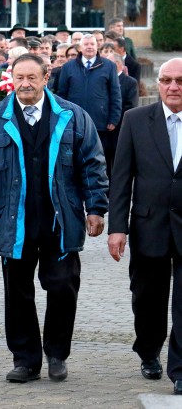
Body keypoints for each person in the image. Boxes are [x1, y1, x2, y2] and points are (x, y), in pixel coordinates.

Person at [0, 53, 108, 384]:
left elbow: (93, 164)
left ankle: (56, 354)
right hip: (13, 222)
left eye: (32, 77)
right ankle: (25, 360)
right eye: (19, 78)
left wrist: (96, 208)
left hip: (61, 221)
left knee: (62, 286)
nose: (25, 84)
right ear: (11, 80)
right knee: (17, 292)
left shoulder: (73, 117)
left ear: (46, 78)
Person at [107, 58, 182, 396]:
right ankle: (148, 350)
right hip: (149, 224)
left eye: (180, 81)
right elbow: (121, 179)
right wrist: (116, 228)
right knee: (148, 298)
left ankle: (179, 370)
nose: (173, 87)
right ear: (157, 85)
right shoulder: (136, 120)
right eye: (166, 80)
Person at [58, 33, 122, 165]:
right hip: (74, 121)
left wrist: (114, 119)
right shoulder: (68, 67)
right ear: (80, 47)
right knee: (75, 160)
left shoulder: (109, 66)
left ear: (97, 46)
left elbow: (115, 94)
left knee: (98, 159)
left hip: (100, 122)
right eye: (86, 44)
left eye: (92, 44)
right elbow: (61, 94)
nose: (89, 47)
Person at [103, 53, 139, 178]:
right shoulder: (104, 80)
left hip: (120, 130)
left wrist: (114, 119)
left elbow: (131, 105)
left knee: (120, 164)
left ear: (117, 64)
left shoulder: (130, 82)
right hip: (104, 130)